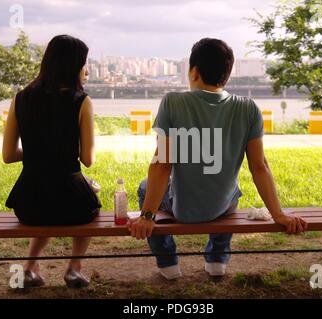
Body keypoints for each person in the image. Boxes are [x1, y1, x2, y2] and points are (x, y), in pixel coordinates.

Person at [129, 38, 307, 280]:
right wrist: (279, 215)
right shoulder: (248, 108)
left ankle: (168, 263)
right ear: (227, 75)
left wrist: (147, 216)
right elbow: (259, 167)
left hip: (182, 209)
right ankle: (217, 260)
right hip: (222, 207)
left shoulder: (172, 102)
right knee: (233, 189)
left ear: (194, 72)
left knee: (144, 187)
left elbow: (162, 164)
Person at [2, 35, 101, 289]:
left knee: (47, 199)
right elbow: (88, 160)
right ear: (73, 66)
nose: (86, 69)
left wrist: (38, 151)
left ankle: (30, 267)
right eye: (84, 63)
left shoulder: (20, 98)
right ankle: (74, 268)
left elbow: (8, 156)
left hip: (29, 203)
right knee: (91, 201)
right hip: (72, 203)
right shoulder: (81, 101)